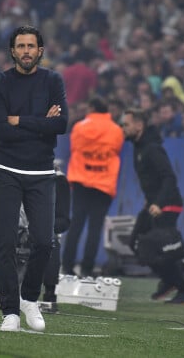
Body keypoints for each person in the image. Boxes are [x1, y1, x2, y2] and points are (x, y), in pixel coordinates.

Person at [0, 25, 68, 332]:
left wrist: (19, 121)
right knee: (5, 243)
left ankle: (29, 299)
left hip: (42, 173)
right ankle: (9, 311)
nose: (25, 51)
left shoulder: (53, 80)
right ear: (12, 51)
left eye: (30, 46)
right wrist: (39, 126)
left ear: (40, 50)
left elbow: (61, 124)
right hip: (6, 170)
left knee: (45, 243)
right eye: (20, 46)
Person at [122, 108, 184, 305]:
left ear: (139, 125)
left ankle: (183, 291)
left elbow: (169, 177)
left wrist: (158, 202)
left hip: (167, 205)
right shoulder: (139, 146)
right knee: (136, 243)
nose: (123, 128)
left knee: (160, 249)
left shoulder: (152, 148)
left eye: (126, 124)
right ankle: (169, 281)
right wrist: (150, 200)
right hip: (154, 204)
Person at [62, 97, 124, 277]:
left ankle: (67, 265)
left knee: (76, 225)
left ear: (91, 108)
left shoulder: (80, 127)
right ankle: (88, 268)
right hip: (103, 184)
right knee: (95, 228)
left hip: (82, 181)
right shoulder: (116, 130)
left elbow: (75, 148)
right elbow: (117, 149)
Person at [42, 166, 71, 309]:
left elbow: (63, 220)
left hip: (40, 226)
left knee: (50, 240)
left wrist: (40, 224)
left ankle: (49, 292)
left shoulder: (57, 181)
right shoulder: (9, 172)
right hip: (12, 223)